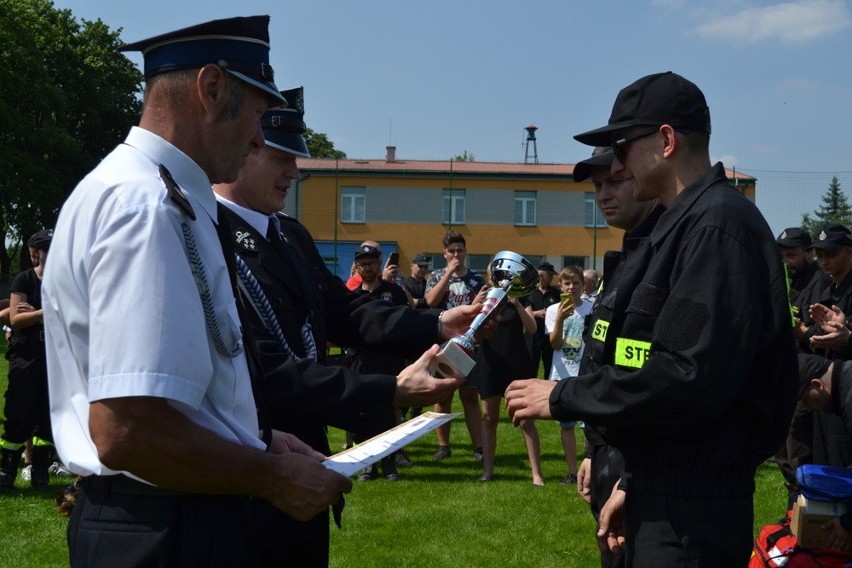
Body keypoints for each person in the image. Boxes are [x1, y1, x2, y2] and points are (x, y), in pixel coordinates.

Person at [42, 17, 352, 567]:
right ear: (210, 90)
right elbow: (128, 429)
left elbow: (179, 397)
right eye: (258, 115)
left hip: (160, 514)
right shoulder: (149, 208)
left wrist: (259, 441)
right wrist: (271, 475)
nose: (261, 137)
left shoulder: (145, 193)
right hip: (168, 525)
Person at [506, 71, 797, 567]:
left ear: (665, 140)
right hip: (666, 489)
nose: (617, 163)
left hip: (692, 510)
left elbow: (686, 375)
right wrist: (636, 480)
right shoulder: (687, 224)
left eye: (623, 146)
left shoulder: (716, 226)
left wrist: (563, 396)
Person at [212, 92, 477, 565]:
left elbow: (346, 310)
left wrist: (435, 323)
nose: (294, 172)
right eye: (281, 157)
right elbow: (263, 368)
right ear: (242, 147)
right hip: (244, 471)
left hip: (309, 462)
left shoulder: (289, 233)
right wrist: (388, 390)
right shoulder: (205, 234)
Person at [573, 146, 663, 568]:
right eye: (597, 186)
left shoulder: (667, 257)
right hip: (611, 454)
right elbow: (606, 362)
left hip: (647, 467)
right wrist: (593, 449)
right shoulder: (628, 257)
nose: (604, 195)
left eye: (616, 181)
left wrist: (629, 479)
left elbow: (660, 380)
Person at [774, 226, 834, 503]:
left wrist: (802, 331)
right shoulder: (787, 281)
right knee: (781, 449)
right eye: (782, 255)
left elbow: (822, 332)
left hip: (809, 376)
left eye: (792, 255)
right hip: (785, 372)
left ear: (808, 253)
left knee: (798, 447)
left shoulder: (819, 284)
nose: (786, 262)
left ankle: (806, 507)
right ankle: (793, 507)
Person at [471, 277, 540, 483]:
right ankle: (488, 471)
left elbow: (532, 328)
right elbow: (471, 329)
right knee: (489, 418)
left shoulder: (520, 297)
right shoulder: (485, 296)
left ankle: (536, 474)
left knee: (525, 420)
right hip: (490, 364)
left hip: (516, 363)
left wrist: (517, 303)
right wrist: (477, 303)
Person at [1, 230, 55, 491]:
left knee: (48, 415)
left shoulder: (63, 281)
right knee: (17, 412)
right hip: (26, 355)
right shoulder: (24, 279)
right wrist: (48, 312)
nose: (36, 254)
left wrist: (38, 314)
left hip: (54, 356)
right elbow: (15, 318)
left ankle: (41, 473)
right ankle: (7, 471)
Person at [425, 231, 485, 461]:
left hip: (469, 346)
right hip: (442, 345)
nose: (456, 255)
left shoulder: (475, 279)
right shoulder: (437, 275)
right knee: (443, 397)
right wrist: (449, 272)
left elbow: (483, 310)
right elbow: (430, 301)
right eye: (451, 251)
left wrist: (478, 303)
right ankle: (443, 445)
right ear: (444, 253)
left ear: (466, 251)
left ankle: (478, 447)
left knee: (470, 396)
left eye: (460, 250)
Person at [543, 266, 593, 485]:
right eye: (567, 283)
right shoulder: (554, 310)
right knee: (567, 425)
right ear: (560, 286)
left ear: (583, 286)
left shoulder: (592, 308)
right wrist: (561, 318)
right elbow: (555, 344)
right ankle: (573, 471)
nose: (571, 287)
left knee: (590, 425)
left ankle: (590, 468)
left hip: (586, 373)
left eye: (576, 283)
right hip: (563, 372)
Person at [525, 262, 561, 377]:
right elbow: (522, 310)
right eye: (549, 275)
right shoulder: (529, 291)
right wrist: (535, 313)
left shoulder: (555, 292)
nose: (551, 278)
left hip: (549, 334)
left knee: (550, 364)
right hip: (533, 334)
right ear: (541, 276)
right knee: (530, 363)